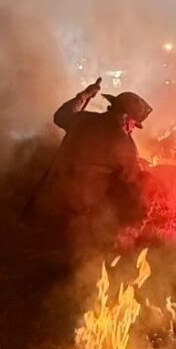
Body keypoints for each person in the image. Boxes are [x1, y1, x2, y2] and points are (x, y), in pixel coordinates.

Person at [30, 78, 153, 234]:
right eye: (133, 124)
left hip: (52, 196)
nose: (132, 129)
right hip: (84, 209)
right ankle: (126, 233)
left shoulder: (82, 119)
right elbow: (132, 181)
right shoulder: (124, 144)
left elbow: (60, 115)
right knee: (144, 180)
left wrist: (85, 94)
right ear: (124, 118)